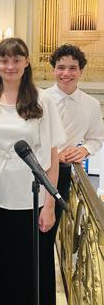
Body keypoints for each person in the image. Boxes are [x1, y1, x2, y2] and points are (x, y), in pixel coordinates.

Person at [0, 38, 66, 305]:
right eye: (3, 60)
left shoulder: (41, 98)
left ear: (26, 62)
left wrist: (49, 206)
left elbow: (51, 159)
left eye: (16, 59)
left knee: (28, 266)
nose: (9, 66)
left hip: (29, 198)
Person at [45, 44, 104, 240]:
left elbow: (96, 138)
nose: (66, 73)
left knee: (50, 231)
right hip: (35, 171)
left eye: (72, 68)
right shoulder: (39, 99)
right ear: (53, 69)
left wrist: (84, 150)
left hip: (61, 174)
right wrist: (53, 153)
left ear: (81, 71)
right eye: (61, 67)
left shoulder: (91, 105)